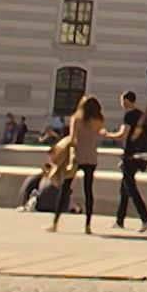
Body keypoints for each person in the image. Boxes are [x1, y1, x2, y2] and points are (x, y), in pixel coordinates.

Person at [53, 95, 107, 233]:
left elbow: (72, 139)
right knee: (88, 191)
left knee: (65, 189)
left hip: (76, 158)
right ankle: (88, 225)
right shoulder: (98, 120)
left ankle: (55, 223)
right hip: (91, 158)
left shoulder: (76, 119)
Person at [106, 91, 147, 233]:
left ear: (126, 100)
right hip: (138, 154)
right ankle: (119, 220)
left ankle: (145, 218)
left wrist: (107, 135)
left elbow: (122, 135)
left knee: (131, 188)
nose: (120, 103)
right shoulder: (141, 114)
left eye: (121, 100)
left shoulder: (129, 115)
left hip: (129, 155)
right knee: (124, 189)